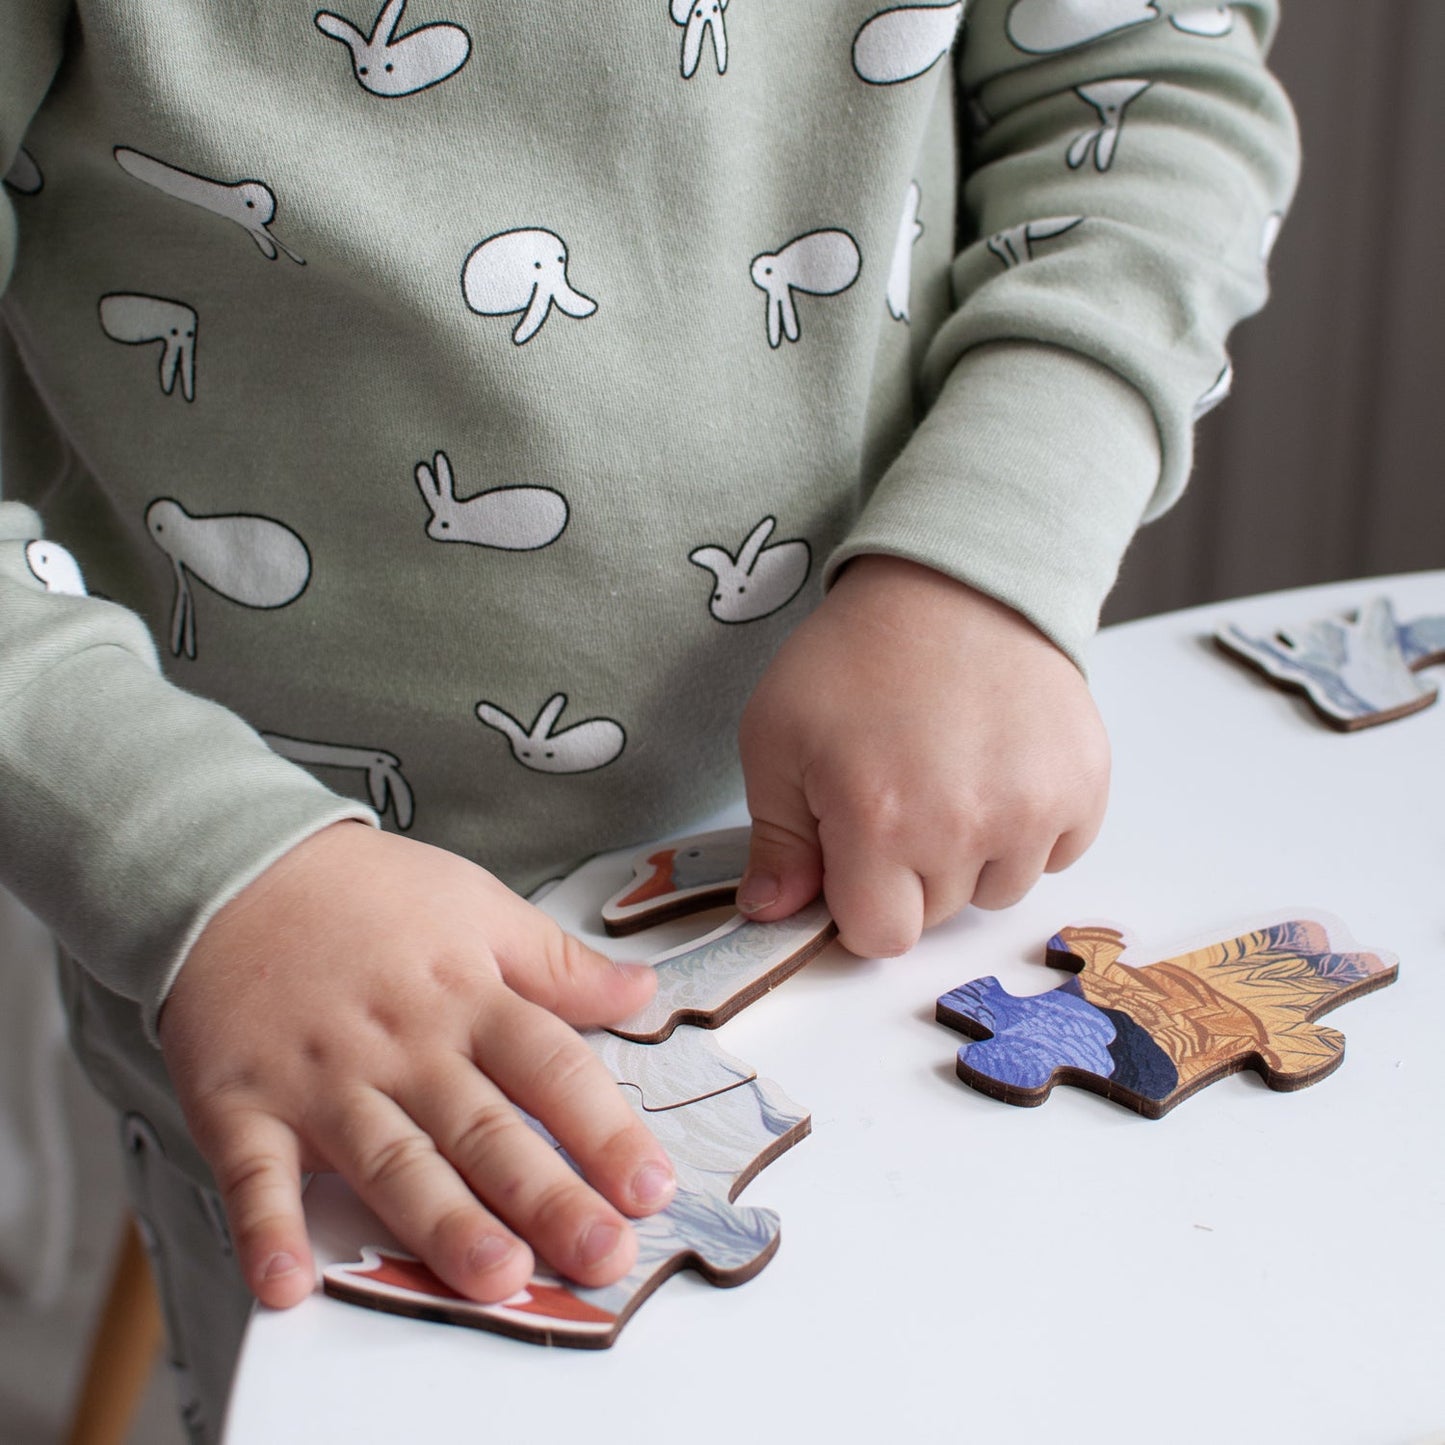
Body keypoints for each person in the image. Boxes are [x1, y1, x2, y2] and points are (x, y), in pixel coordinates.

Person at [0, 0, 1298, 1436]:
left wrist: (989, 549)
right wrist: (209, 862)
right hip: (336, 1031)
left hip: (927, 917)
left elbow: (1142, 89)